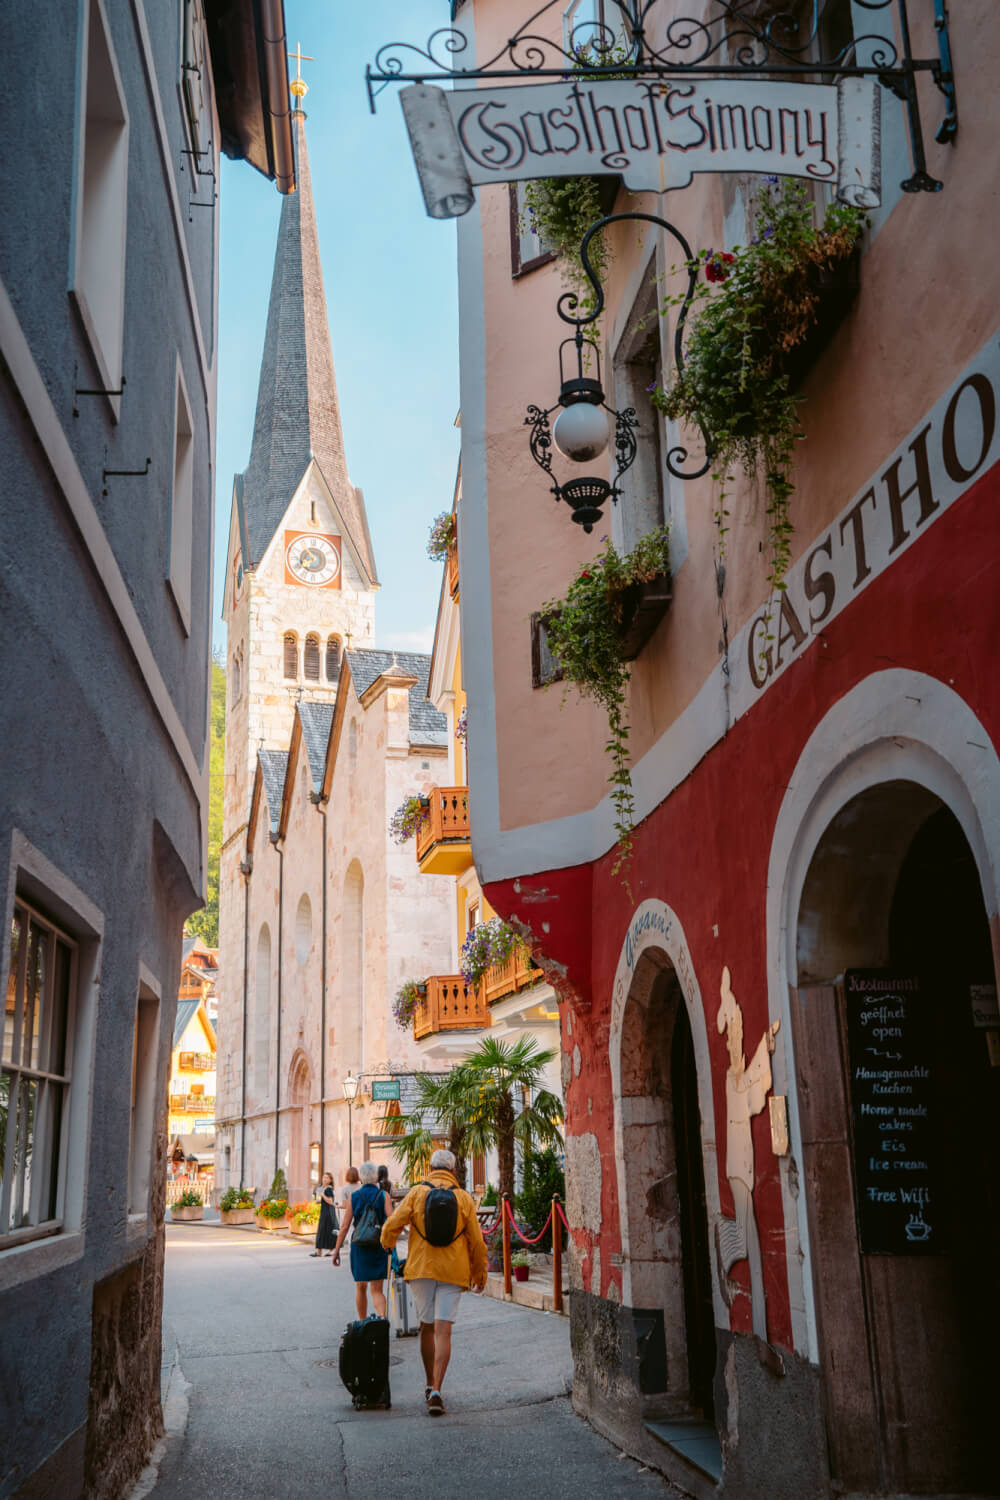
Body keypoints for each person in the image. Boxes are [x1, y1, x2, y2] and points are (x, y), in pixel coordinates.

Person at [381, 1148, 487, 1417]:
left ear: (430, 1167)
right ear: (453, 1171)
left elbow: (393, 1223)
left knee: (426, 1329)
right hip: (453, 1271)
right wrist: (479, 1276)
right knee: (444, 1331)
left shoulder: (417, 1192)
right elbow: (476, 1242)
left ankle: (429, 1383)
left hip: (422, 1269)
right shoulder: (463, 1198)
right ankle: (438, 1390)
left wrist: (387, 1243)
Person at [332, 1161, 392, 1320]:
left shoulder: (354, 1196)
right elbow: (392, 1222)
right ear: (375, 1177)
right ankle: (381, 1322)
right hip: (379, 1244)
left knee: (360, 1287)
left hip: (359, 1245)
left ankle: (363, 1324)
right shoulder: (384, 1195)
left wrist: (336, 1250)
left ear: (361, 1178)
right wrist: (389, 1244)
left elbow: (344, 1226)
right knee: (377, 1289)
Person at [310, 1171, 338, 1257]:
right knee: (322, 1231)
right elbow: (322, 1201)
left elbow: (330, 1201)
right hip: (324, 1212)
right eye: (323, 1177)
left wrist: (322, 1195)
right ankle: (319, 1251)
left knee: (328, 1231)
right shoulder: (323, 1188)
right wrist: (318, 1200)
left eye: (326, 1178)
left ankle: (330, 1251)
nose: (324, 1179)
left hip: (329, 1213)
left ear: (330, 1180)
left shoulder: (329, 1189)